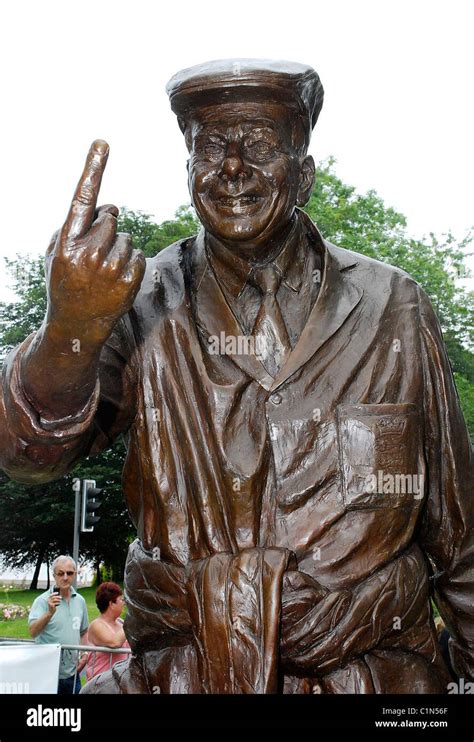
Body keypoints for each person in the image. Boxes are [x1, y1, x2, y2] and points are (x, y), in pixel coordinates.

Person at [1, 59, 472, 694]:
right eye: (211, 146)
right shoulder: (140, 303)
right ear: (189, 172)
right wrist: (68, 331)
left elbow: (460, 531)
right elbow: (28, 457)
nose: (230, 166)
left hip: (372, 682)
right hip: (182, 678)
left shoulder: (394, 307)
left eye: (257, 145)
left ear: (303, 175)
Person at [28, 556, 89, 694]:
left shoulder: (80, 601)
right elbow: (32, 631)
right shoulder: (42, 601)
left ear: (74, 574)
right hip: (47, 673)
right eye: (61, 573)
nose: (65, 577)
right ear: (54, 575)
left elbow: (84, 631)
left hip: (73, 674)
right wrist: (49, 613)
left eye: (70, 573)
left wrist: (85, 653)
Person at [85, 582, 130, 681]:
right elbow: (115, 642)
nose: (124, 603)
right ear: (111, 604)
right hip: (100, 685)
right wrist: (132, 618)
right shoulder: (96, 625)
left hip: (120, 683)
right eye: (121, 600)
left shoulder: (120, 623)